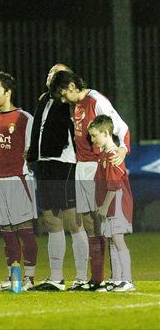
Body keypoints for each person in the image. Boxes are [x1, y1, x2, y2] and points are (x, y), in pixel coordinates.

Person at [49, 70, 130, 291]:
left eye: (64, 93)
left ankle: (115, 277)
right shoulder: (74, 104)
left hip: (97, 166)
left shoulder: (97, 101)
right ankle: (96, 279)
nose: (63, 99)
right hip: (81, 167)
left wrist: (123, 148)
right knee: (87, 221)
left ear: (73, 86)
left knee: (100, 222)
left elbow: (121, 127)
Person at [28, 64, 89, 291]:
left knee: (73, 220)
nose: (51, 76)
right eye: (49, 72)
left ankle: (82, 276)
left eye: (56, 73)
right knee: (51, 220)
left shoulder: (72, 102)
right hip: (44, 163)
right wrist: (33, 152)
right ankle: (56, 277)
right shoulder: (44, 98)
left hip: (64, 163)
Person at [0, 71, 38, 291]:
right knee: (7, 234)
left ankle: (29, 277)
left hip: (18, 180)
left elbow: (32, 149)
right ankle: (13, 277)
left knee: (24, 231)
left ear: (8, 92)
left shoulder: (24, 118)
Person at [88, 115, 135, 292]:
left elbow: (114, 186)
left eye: (94, 135)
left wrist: (105, 205)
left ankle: (127, 279)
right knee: (112, 241)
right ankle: (116, 278)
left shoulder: (113, 155)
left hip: (117, 205)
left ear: (106, 133)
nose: (92, 140)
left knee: (118, 239)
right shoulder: (104, 156)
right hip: (109, 206)